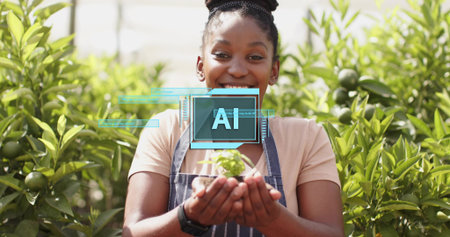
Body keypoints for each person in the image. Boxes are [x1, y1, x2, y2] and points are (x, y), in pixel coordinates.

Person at [123, 0, 344, 236]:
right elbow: (132, 231)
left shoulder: (306, 138)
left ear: (274, 71)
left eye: (255, 57)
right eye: (222, 54)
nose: (237, 70)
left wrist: (273, 219)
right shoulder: (168, 129)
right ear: (200, 66)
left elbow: (331, 232)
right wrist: (188, 216)